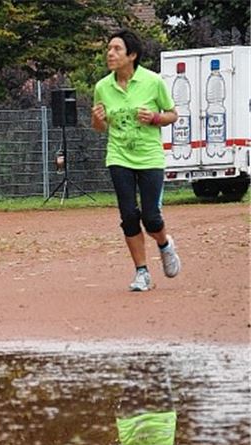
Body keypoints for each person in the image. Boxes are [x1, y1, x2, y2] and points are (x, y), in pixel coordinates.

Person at [92, 29, 181, 292]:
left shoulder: (153, 82)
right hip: (118, 156)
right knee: (129, 216)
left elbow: (172, 114)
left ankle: (165, 244)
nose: (110, 53)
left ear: (132, 55)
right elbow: (100, 127)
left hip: (150, 157)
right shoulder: (102, 87)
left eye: (117, 49)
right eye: (109, 48)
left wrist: (154, 118)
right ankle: (142, 272)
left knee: (151, 218)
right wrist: (97, 120)